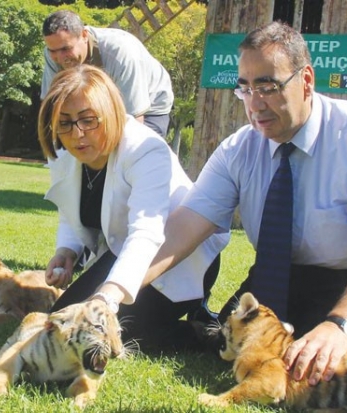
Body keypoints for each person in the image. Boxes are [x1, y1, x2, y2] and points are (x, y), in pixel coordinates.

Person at [142, 21, 347, 378]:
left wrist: (339, 325)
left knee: (324, 372)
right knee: (228, 345)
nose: (254, 103)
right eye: (244, 88)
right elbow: (185, 226)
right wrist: (119, 286)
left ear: (306, 80)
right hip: (285, 271)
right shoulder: (238, 149)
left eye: (267, 86)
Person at [38, 64, 227, 351]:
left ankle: (200, 333)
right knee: (63, 323)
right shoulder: (64, 153)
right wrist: (67, 251)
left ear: (110, 113)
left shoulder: (145, 149)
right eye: (64, 123)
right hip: (121, 253)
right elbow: (70, 209)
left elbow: (146, 232)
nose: (77, 134)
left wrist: (108, 297)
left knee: (99, 336)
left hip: (180, 260)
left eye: (88, 120)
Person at [41, 10, 174, 139]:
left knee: (135, 155)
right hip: (100, 108)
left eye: (66, 49)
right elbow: (52, 106)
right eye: (53, 50)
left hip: (150, 108)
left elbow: (134, 120)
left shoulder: (121, 54)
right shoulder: (52, 55)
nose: (60, 57)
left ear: (84, 35)